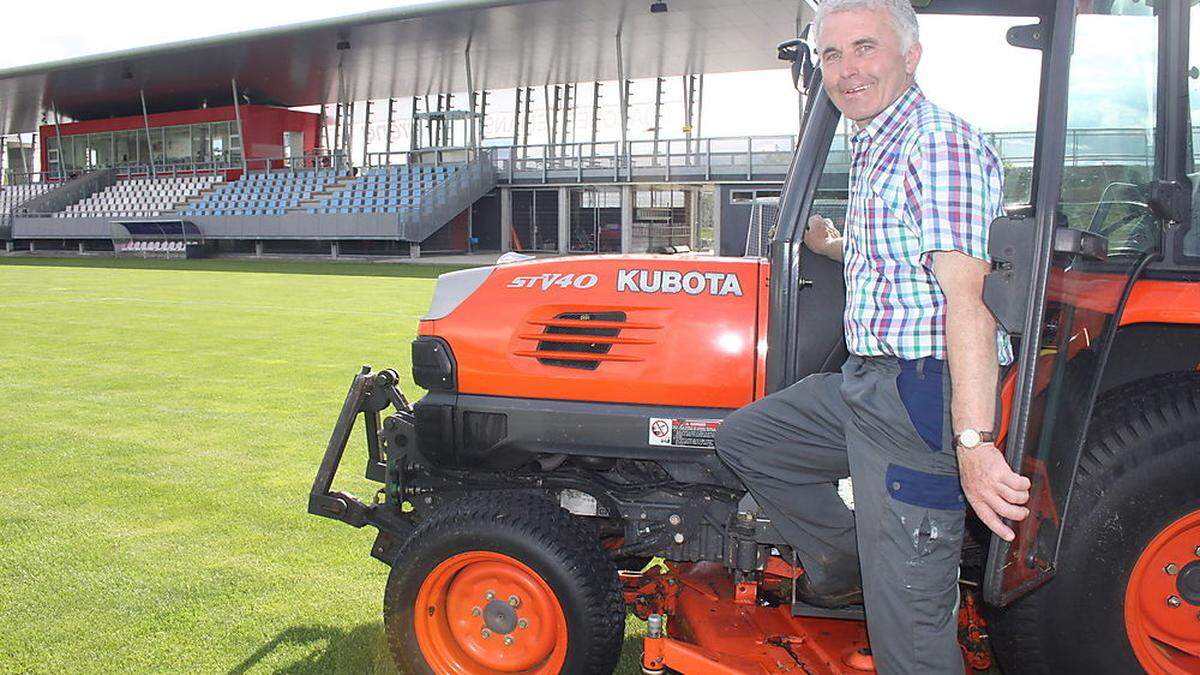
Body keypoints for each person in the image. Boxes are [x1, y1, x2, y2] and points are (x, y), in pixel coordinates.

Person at [713, 1, 1031, 672]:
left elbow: (965, 299)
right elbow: (911, 248)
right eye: (832, 54)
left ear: (910, 56)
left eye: (865, 48)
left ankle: (884, 568)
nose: (847, 69)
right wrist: (836, 244)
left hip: (921, 393)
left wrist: (974, 444)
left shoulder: (936, 141)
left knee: (908, 635)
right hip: (868, 382)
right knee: (746, 437)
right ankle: (849, 557)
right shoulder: (877, 136)